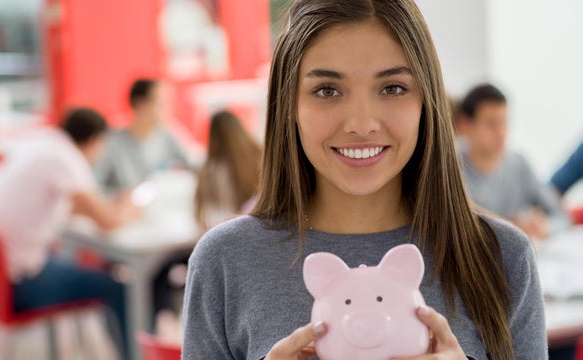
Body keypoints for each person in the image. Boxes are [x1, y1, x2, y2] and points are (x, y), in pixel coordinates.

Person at [182, 1, 547, 359]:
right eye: (327, 90)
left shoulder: (503, 257)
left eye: (392, 88)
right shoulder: (225, 261)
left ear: (426, 101)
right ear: (289, 105)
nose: (361, 123)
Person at [0, 108, 139, 356]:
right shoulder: (67, 158)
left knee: (99, 269)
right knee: (118, 287)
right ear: (94, 140)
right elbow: (108, 222)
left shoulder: (42, 144)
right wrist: (131, 208)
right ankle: (135, 355)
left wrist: (108, 207)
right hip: (22, 285)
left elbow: (69, 207)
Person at [456, 83, 570, 239]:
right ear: (465, 124)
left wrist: (544, 227)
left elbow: (560, 215)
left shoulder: (519, 164)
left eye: (504, 122)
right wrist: (511, 230)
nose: (501, 132)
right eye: (491, 124)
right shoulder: (448, 168)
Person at [94, 78, 191, 193]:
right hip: (122, 207)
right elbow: (93, 185)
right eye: (160, 103)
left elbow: (193, 163)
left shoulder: (168, 135)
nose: (167, 109)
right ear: (140, 103)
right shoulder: (110, 141)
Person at [194, 110, 262, 230]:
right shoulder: (259, 158)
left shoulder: (208, 169)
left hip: (220, 232)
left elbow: (200, 214)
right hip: (254, 229)